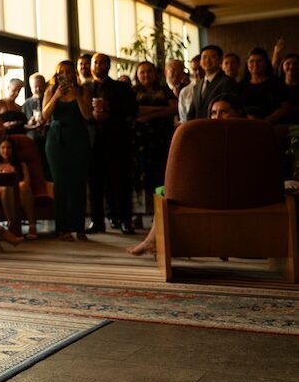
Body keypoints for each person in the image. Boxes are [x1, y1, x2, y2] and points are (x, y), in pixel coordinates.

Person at [127, 93, 247, 255]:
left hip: (231, 193)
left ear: (238, 113)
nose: (217, 117)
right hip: (211, 190)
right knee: (165, 189)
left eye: (224, 112)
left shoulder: (249, 134)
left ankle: (151, 241)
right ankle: (152, 241)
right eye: (213, 113)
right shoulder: (206, 136)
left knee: (167, 191)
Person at [88, 53, 139, 235]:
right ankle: (97, 222)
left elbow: (133, 110)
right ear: (91, 65)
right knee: (94, 185)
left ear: (109, 66)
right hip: (92, 142)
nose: (98, 65)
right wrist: (91, 116)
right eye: (95, 62)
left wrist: (109, 107)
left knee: (120, 182)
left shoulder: (121, 87)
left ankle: (125, 220)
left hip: (116, 141)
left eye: (102, 62)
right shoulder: (84, 88)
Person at [43, 60, 93, 241]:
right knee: (61, 183)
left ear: (74, 74)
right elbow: (45, 115)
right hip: (56, 139)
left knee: (78, 183)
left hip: (78, 137)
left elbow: (88, 115)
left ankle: (79, 227)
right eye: (61, 72)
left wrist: (77, 96)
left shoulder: (83, 90)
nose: (65, 74)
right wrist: (56, 96)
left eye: (68, 71)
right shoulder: (50, 91)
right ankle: (62, 228)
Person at [132, 61, 177, 206]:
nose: (146, 75)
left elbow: (174, 109)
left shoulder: (165, 90)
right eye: (142, 72)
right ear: (137, 75)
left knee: (161, 172)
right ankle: (141, 210)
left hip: (162, 138)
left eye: (149, 71)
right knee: (141, 173)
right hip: (139, 140)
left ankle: (160, 209)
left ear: (155, 73)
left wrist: (148, 112)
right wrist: (159, 109)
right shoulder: (132, 91)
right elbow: (135, 112)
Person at [0, 137, 38, 239]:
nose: (5, 151)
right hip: (2, 192)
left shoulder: (21, 165)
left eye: (9, 148)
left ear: (13, 150)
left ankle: (32, 226)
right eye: (3, 147)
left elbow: (27, 182)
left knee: (22, 186)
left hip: (20, 192)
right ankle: (12, 226)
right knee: (6, 189)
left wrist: (19, 186)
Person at [238, 47, 289, 123]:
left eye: (259, 61)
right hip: (246, 124)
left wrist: (265, 121)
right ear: (247, 64)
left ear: (266, 63)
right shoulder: (241, 85)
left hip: (272, 125)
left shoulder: (277, 82)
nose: (255, 64)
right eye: (252, 61)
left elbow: (285, 107)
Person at [188, 45, 237, 120]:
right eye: (204, 57)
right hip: (198, 128)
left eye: (212, 57)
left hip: (216, 127)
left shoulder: (227, 82)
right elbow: (192, 111)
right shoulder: (198, 85)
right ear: (200, 61)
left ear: (220, 60)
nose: (207, 60)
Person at [22, 73, 50, 182]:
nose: (38, 89)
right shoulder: (26, 104)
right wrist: (30, 123)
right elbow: (23, 126)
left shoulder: (50, 99)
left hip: (48, 138)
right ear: (30, 87)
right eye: (35, 87)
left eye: (41, 86)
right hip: (33, 141)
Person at [178, 54, 202, 124]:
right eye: (195, 69)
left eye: (200, 69)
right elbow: (183, 118)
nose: (198, 72)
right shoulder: (185, 91)